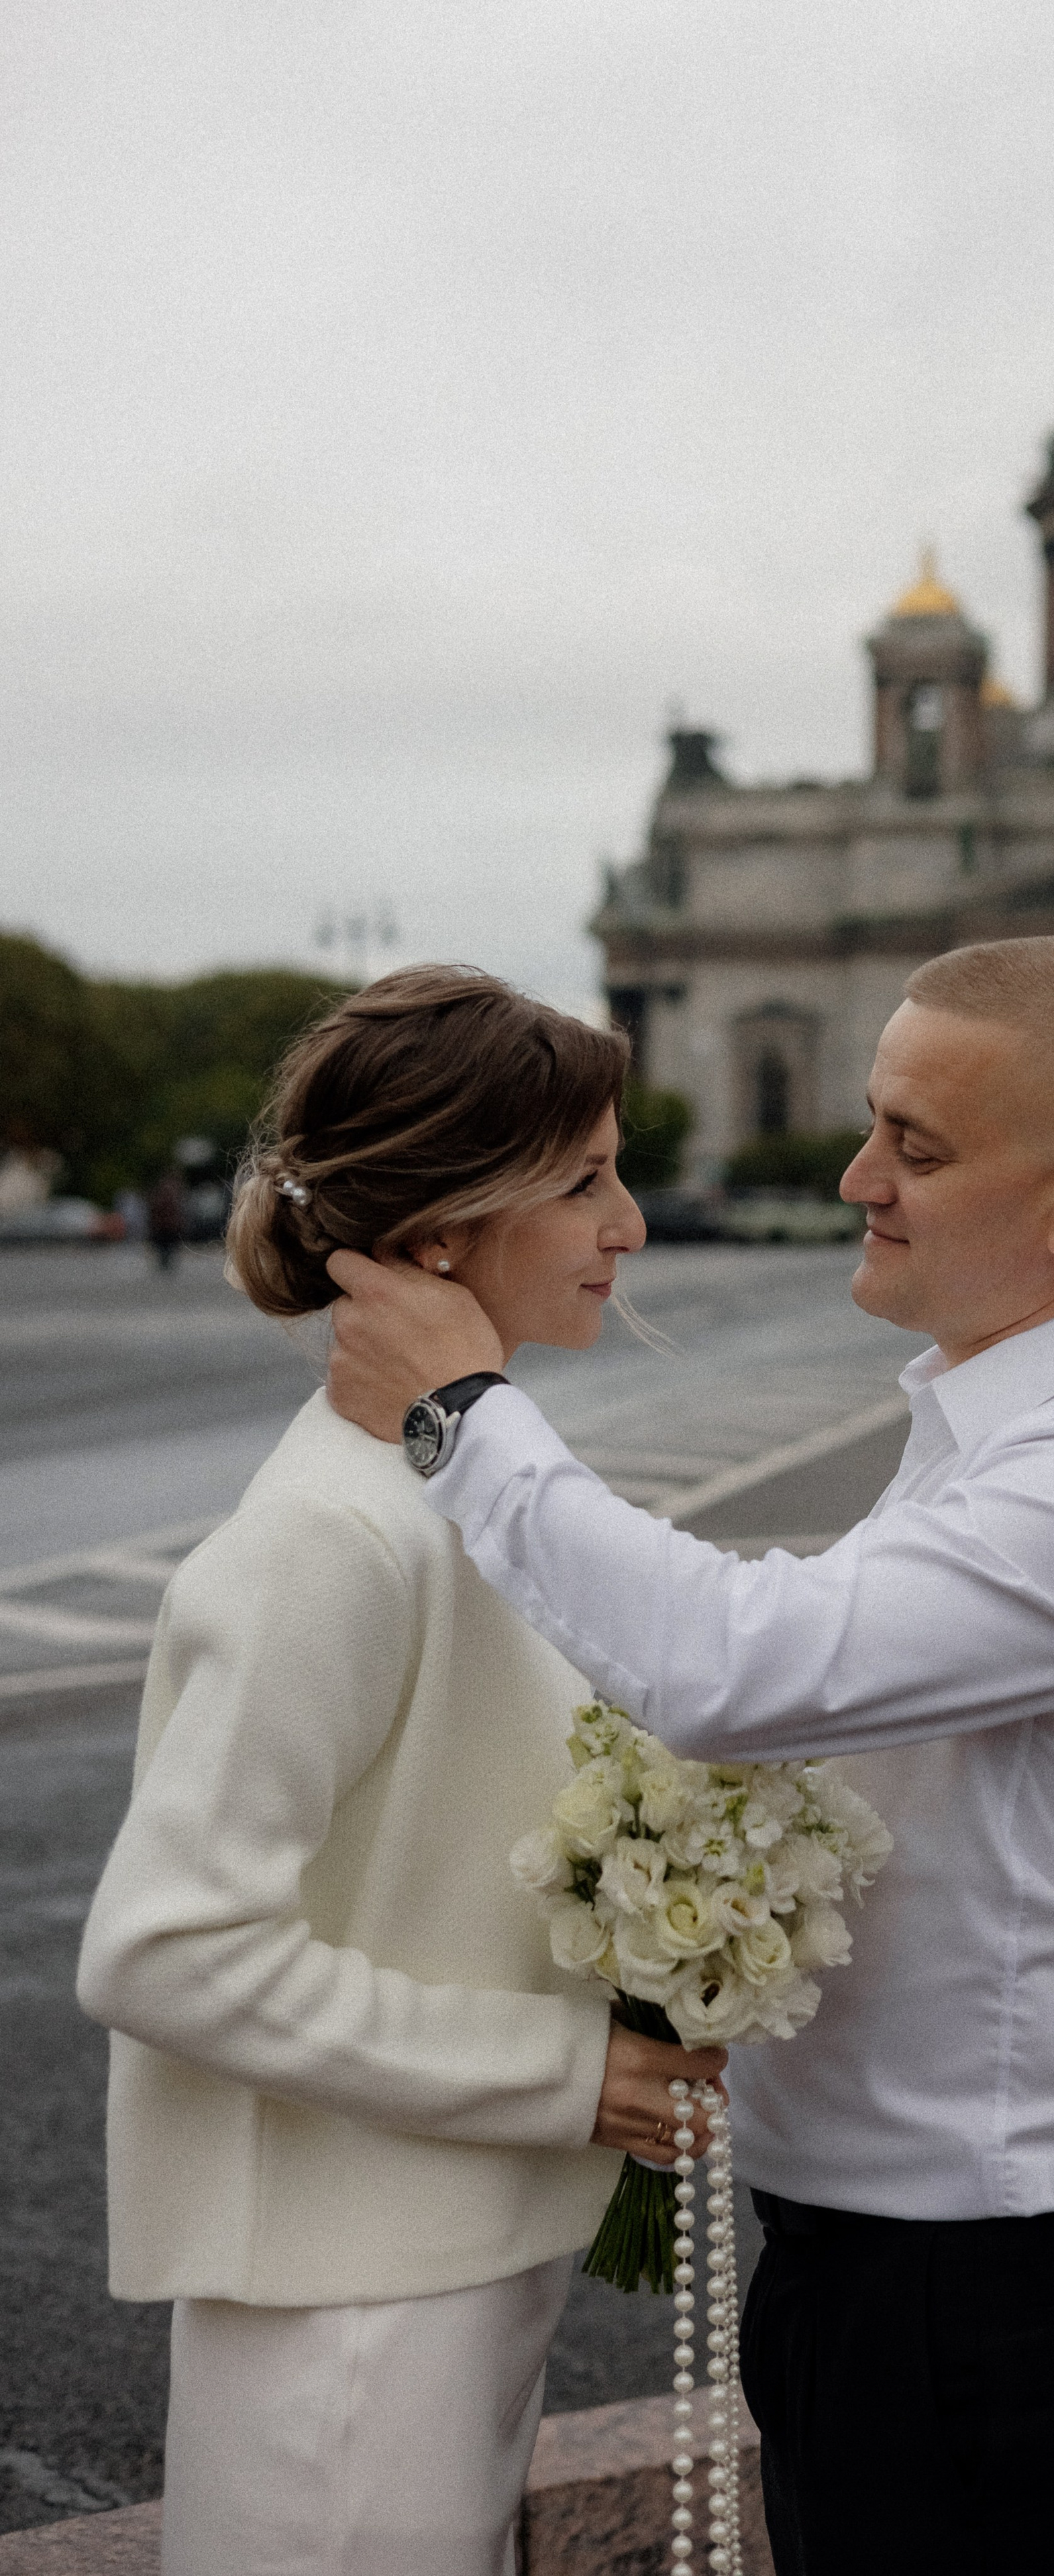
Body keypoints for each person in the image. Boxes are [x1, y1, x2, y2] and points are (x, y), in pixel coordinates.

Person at [325, 934, 1054, 2576]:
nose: (859, 1176)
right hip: (914, 2275)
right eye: (871, 1125)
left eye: (916, 1147)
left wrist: (462, 1416)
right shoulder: (1008, 1438)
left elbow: (735, 1667)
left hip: (993, 2292)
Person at [76, 966, 727, 2576]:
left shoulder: (442, 1495)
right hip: (345, 2319)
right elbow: (164, 1949)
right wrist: (564, 2075)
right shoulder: (335, 1539)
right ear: (443, 1232)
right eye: (583, 1181)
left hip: (412, 2273)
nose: (628, 1224)